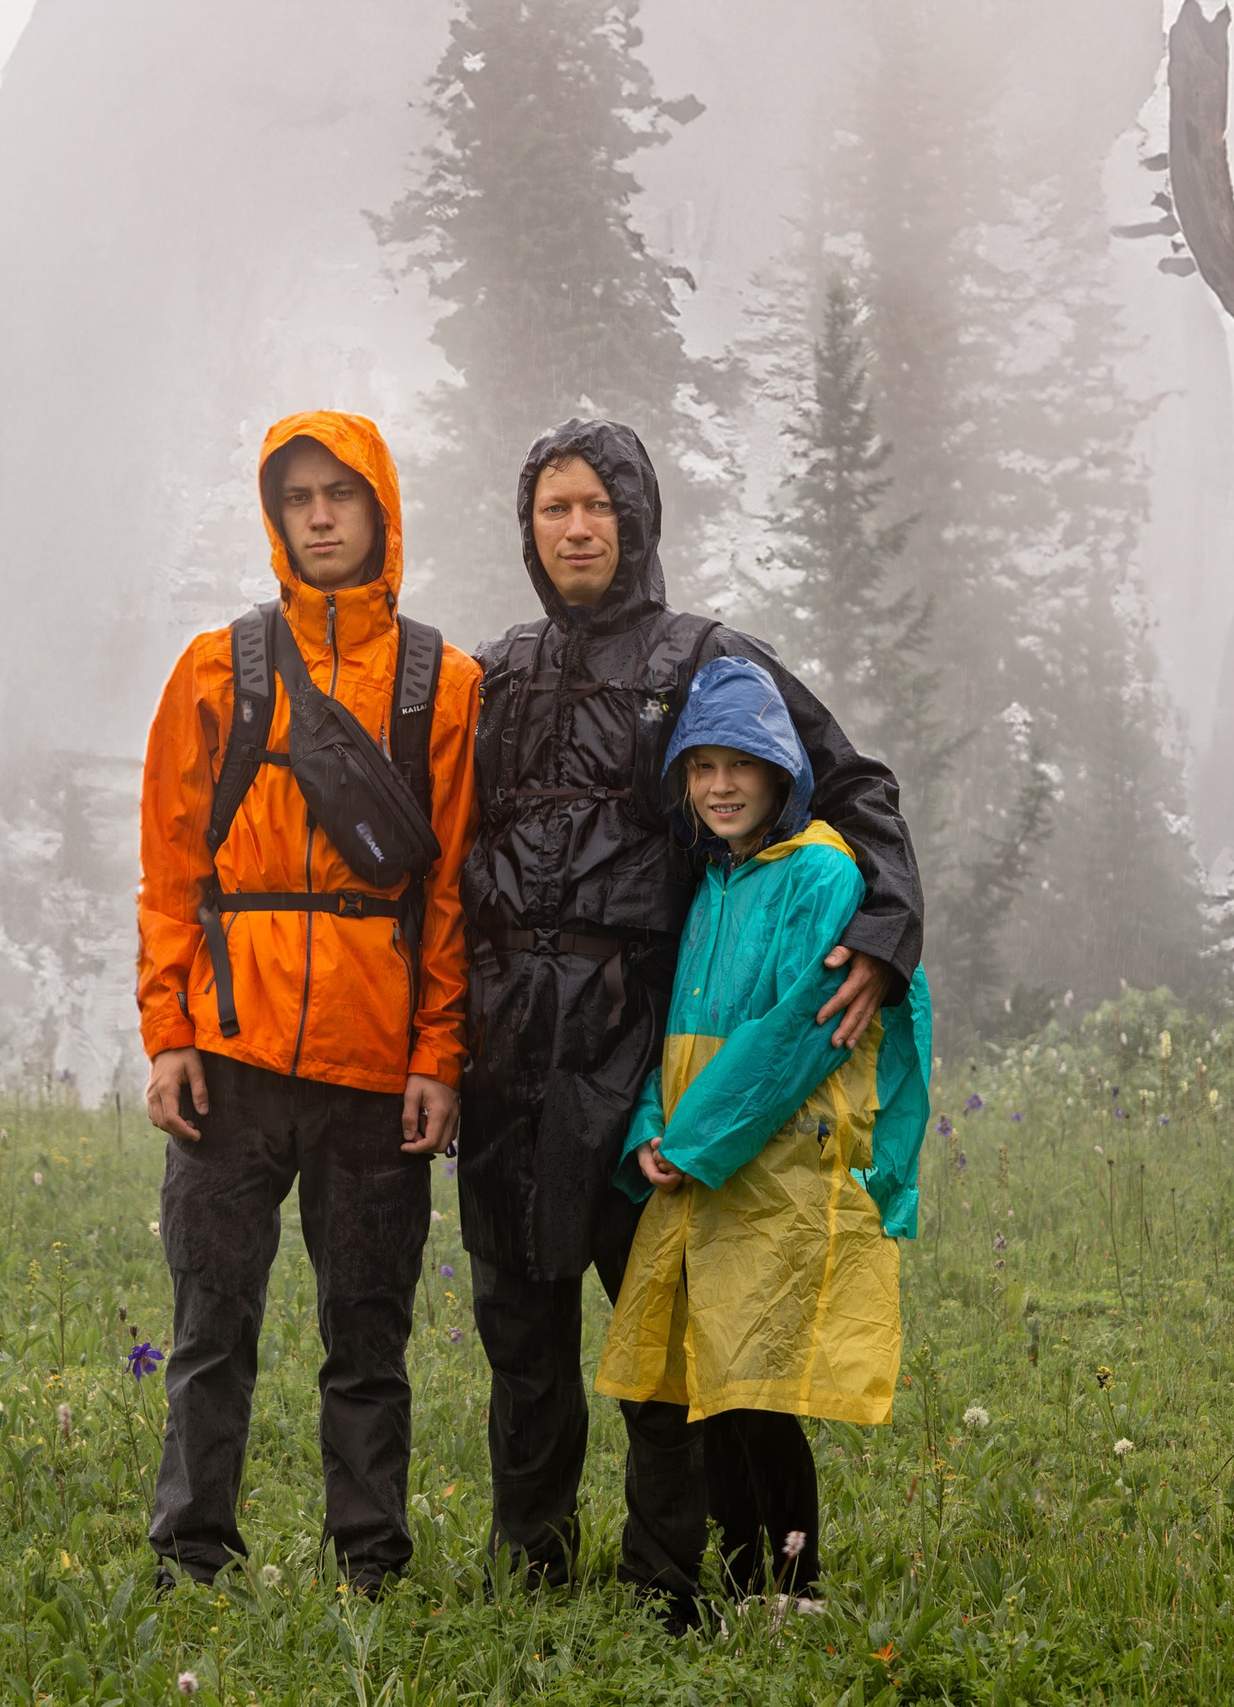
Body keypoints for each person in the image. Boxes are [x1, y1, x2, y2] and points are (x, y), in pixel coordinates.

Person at [458, 418, 922, 1624]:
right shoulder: (493, 674)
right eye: (554, 508)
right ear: (527, 529)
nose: (576, 529)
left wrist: (885, 932)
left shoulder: (706, 659)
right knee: (520, 1335)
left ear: (637, 520)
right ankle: (530, 1569)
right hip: (508, 1054)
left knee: (668, 1337)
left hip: (641, 1051)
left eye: (597, 507)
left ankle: (668, 1581)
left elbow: (851, 783)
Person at [135, 410, 481, 1594]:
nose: (320, 517)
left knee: (368, 1336)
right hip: (227, 1059)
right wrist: (169, 1036)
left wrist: (437, 1055)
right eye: (298, 498)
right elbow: (171, 872)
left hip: (375, 1070)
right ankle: (190, 1559)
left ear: (381, 509)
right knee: (209, 1326)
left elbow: (451, 895)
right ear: (274, 516)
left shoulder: (445, 685)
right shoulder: (214, 670)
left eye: (341, 495)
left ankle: (370, 1566)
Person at [596, 654, 931, 1604]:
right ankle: (747, 1581)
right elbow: (674, 1032)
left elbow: (797, 1036)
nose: (721, 785)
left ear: (782, 770)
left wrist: (691, 1141)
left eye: (741, 763)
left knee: (761, 1385)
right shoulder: (714, 880)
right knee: (712, 1374)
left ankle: (792, 1583)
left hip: (778, 1167)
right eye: (702, 767)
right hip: (701, 1165)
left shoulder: (819, 869)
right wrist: (651, 1128)